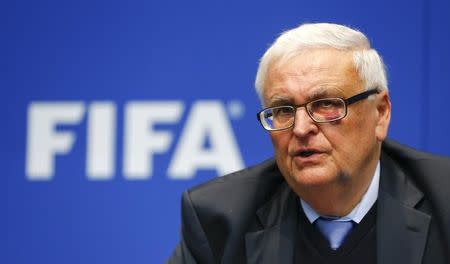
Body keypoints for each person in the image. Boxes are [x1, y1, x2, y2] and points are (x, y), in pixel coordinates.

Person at [168, 23, 450, 264]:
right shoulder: (219, 220)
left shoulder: (444, 200)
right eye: (283, 110)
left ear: (380, 113)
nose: (301, 128)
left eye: (327, 104)